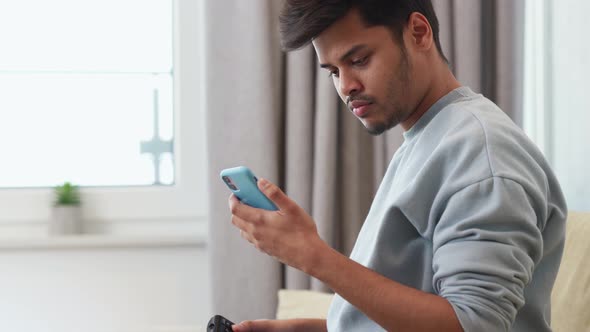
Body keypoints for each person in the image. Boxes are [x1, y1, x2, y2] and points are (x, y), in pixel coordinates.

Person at [227, 1, 567, 331]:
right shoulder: (430, 138)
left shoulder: (482, 153)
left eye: (358, 60)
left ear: (418, 32)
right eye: (333, 71)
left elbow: (475, 324)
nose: (346, 86)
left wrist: (312, 255)